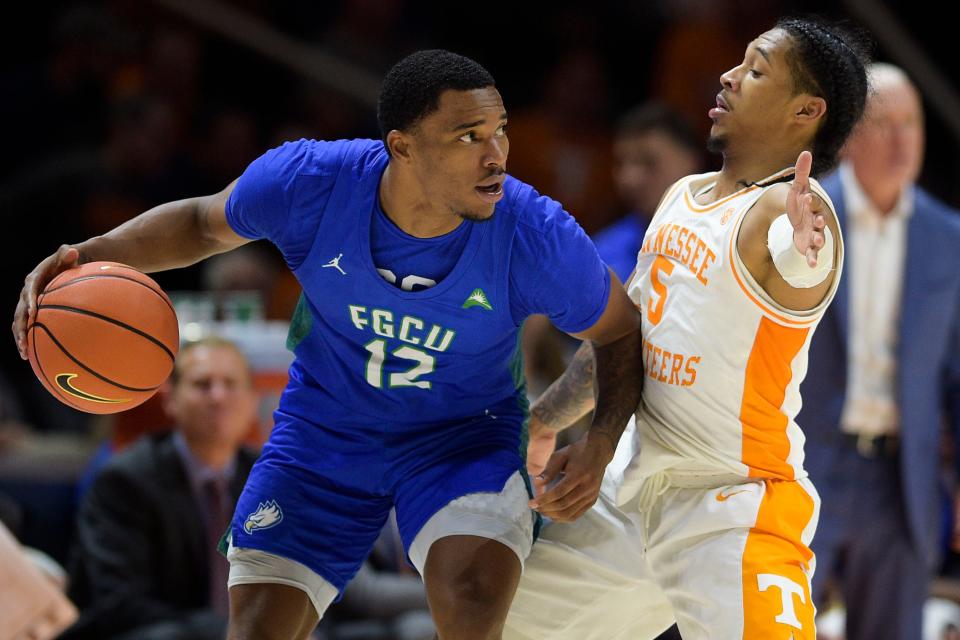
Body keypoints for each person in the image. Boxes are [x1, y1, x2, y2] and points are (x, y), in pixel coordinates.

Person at [13, 50, 644, 640]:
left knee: (474, 599)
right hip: (325, 430)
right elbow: (202, 224)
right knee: (258, 627)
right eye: (468, 136)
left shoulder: (535, 232)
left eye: (500, 130)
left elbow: (620, 330)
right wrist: (85, 255)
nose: (497, 155)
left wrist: (596, 441)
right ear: (402, 146)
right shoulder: (309, 181)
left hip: (464, 437)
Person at [505, 17, 871, 640]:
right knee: (486, 622)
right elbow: (626, 343)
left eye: (755, 71)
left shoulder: (792, 216)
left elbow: (799, 251)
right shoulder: (683, 197)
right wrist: (544, 420)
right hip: (632, 491)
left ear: (805, 110)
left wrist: (803, 246)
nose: (729, 76)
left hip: (732, 506)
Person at [799, 63, 960, 640]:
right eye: (885, 124)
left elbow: (957, 376)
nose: (902, 140)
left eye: (912, 123)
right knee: (775, 627)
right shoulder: (801, 215)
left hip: (900, 475)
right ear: (850, 137)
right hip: (803, 462)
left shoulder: (949, 238)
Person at [61, 337, 259, 640]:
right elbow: (119, 605)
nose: (218, 397)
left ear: (251, 400)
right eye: (202, 384)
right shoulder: (125, 481)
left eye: (231, 384)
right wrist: (231, 632)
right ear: (171, 399)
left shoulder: (269, 477)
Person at [593, 102, 703, 282]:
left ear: (691, 160)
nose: (629, 178)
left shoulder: (731, 239)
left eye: (648, 161)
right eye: (621, 162)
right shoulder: (600, 255)